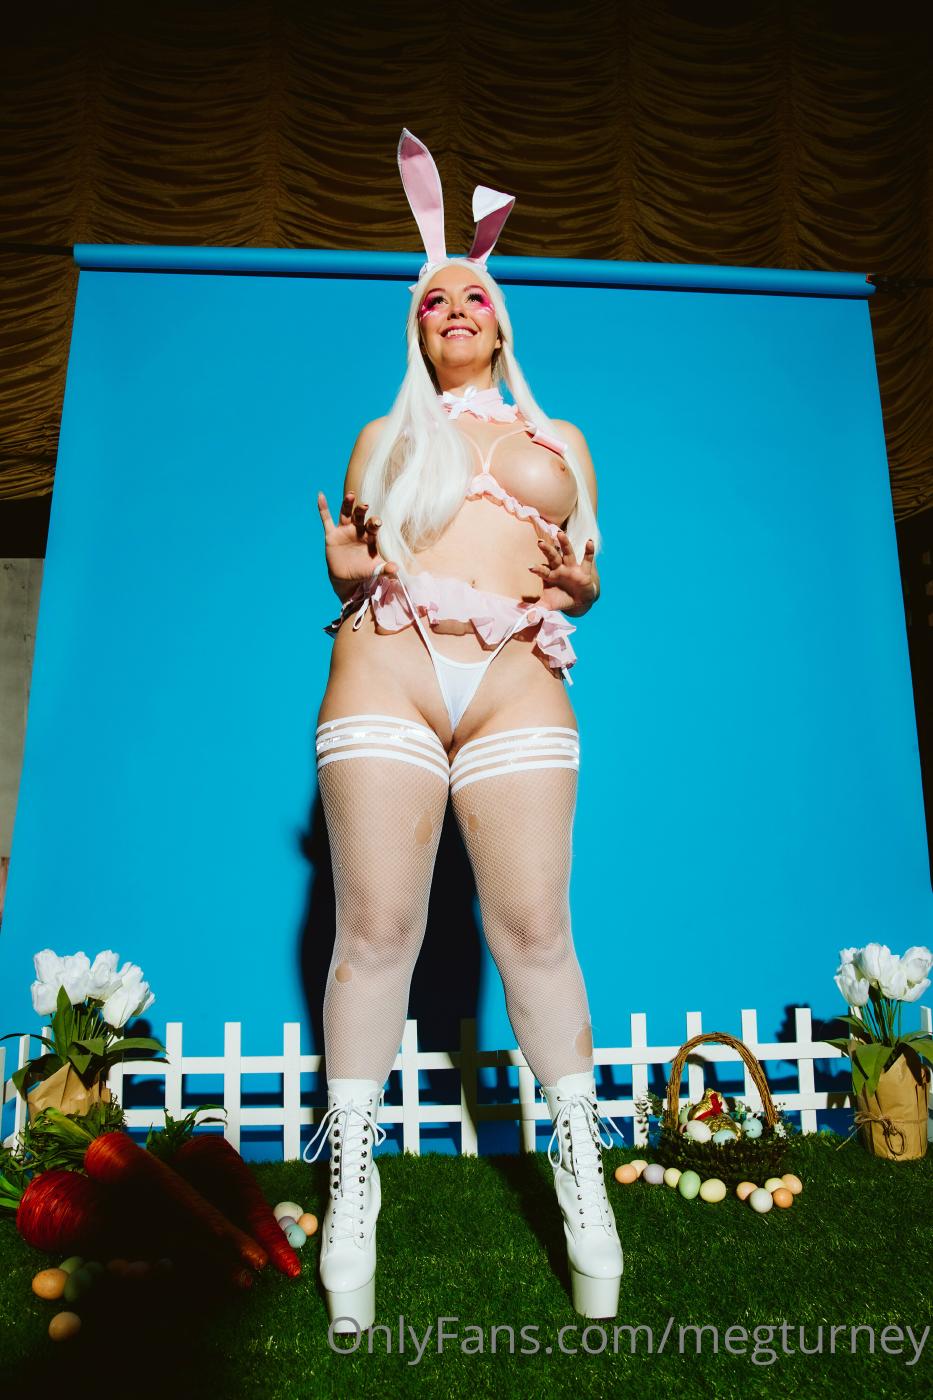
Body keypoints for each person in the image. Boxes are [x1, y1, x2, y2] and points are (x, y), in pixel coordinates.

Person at [304, 131, 624, 1333]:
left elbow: (587, 572)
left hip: (515, 675)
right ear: (415, 325)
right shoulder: (383, 436)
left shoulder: (561, 441)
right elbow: (355, 563)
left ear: (501, 320)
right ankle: (354, 1183)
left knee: (534, 929)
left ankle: (581, 1173)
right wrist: (343, 572)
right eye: (432, 297)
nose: (453, 308)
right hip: (388, 665)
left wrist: (585, 587)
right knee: (376, 928)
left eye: (471, 294)